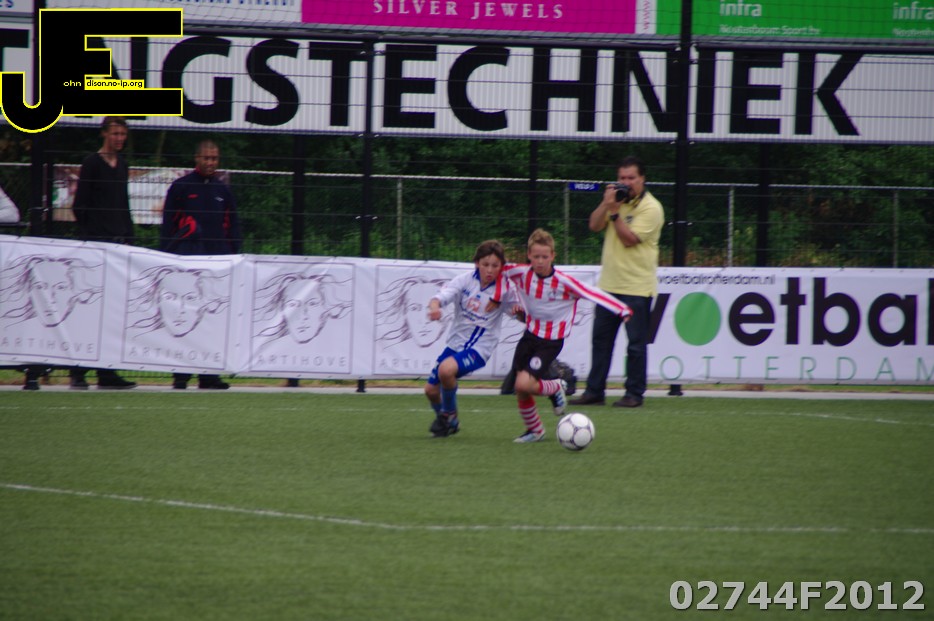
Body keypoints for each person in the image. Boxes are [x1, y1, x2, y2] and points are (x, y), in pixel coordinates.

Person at [497, 229, 632, 443]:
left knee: (523, 384)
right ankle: (535, 430)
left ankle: (555, 387)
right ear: (529, 255)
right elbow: (495, 269)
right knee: (520, 388)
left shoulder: (564, 282)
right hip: (529, 336)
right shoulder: (520, 273)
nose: (540, 261)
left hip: (550, 342)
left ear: (553, 256)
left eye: (545, 256)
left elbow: (592, 293)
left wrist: (621, 309)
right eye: (536, 256)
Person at [569, 155, 664, 408]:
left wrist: (614, 213)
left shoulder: (651, 208)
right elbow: (593, 225)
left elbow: (629, 239)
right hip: (608, 287)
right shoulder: (615, 202)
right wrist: (606, 203)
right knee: (601, 342)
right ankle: (594, 391)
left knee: (635, 345)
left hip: (637, 288)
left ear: (642, 179)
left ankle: (634, 394)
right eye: (622, 178)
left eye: (631, 178)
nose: (626, 182)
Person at [160, 139, 242, 390]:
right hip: (187, 266)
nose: (210, 162)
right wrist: (167, 256)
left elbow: (233, 227)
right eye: (206, 158)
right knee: (183, 317)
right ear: (196, 159)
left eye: (214, 158)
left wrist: (233, 256)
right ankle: (181, 375)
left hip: (216, 266)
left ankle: (209, 375)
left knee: (212, 320)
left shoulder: (223, 190)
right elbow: (169, 225)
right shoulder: (181, 187)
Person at [68, 116, 137, 390]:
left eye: (123, 134)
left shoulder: (122, 165)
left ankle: (107, 372)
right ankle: (78, 371)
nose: (119, 139)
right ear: (104, 134)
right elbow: (79, 206)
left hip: (118, 248)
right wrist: (92, 236)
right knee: (89, 310)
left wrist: (129, 237)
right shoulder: (91, 163)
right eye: (115, 134)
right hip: (96, 247)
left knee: (113, 312)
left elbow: (123, 204)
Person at [423, 240, 517, 438]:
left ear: (502, 267)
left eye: (495, 265)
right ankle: (449, 422)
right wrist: (434, 308)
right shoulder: (464, 281)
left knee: (446, 370)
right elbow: (439, 297)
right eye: (485, 264)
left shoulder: (504, 290)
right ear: (476, 263)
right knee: (430, 390)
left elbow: (519, 314)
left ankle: (449, 415)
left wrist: (520, 311)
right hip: (455, 345)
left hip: (479, 349)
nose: (489, 270)